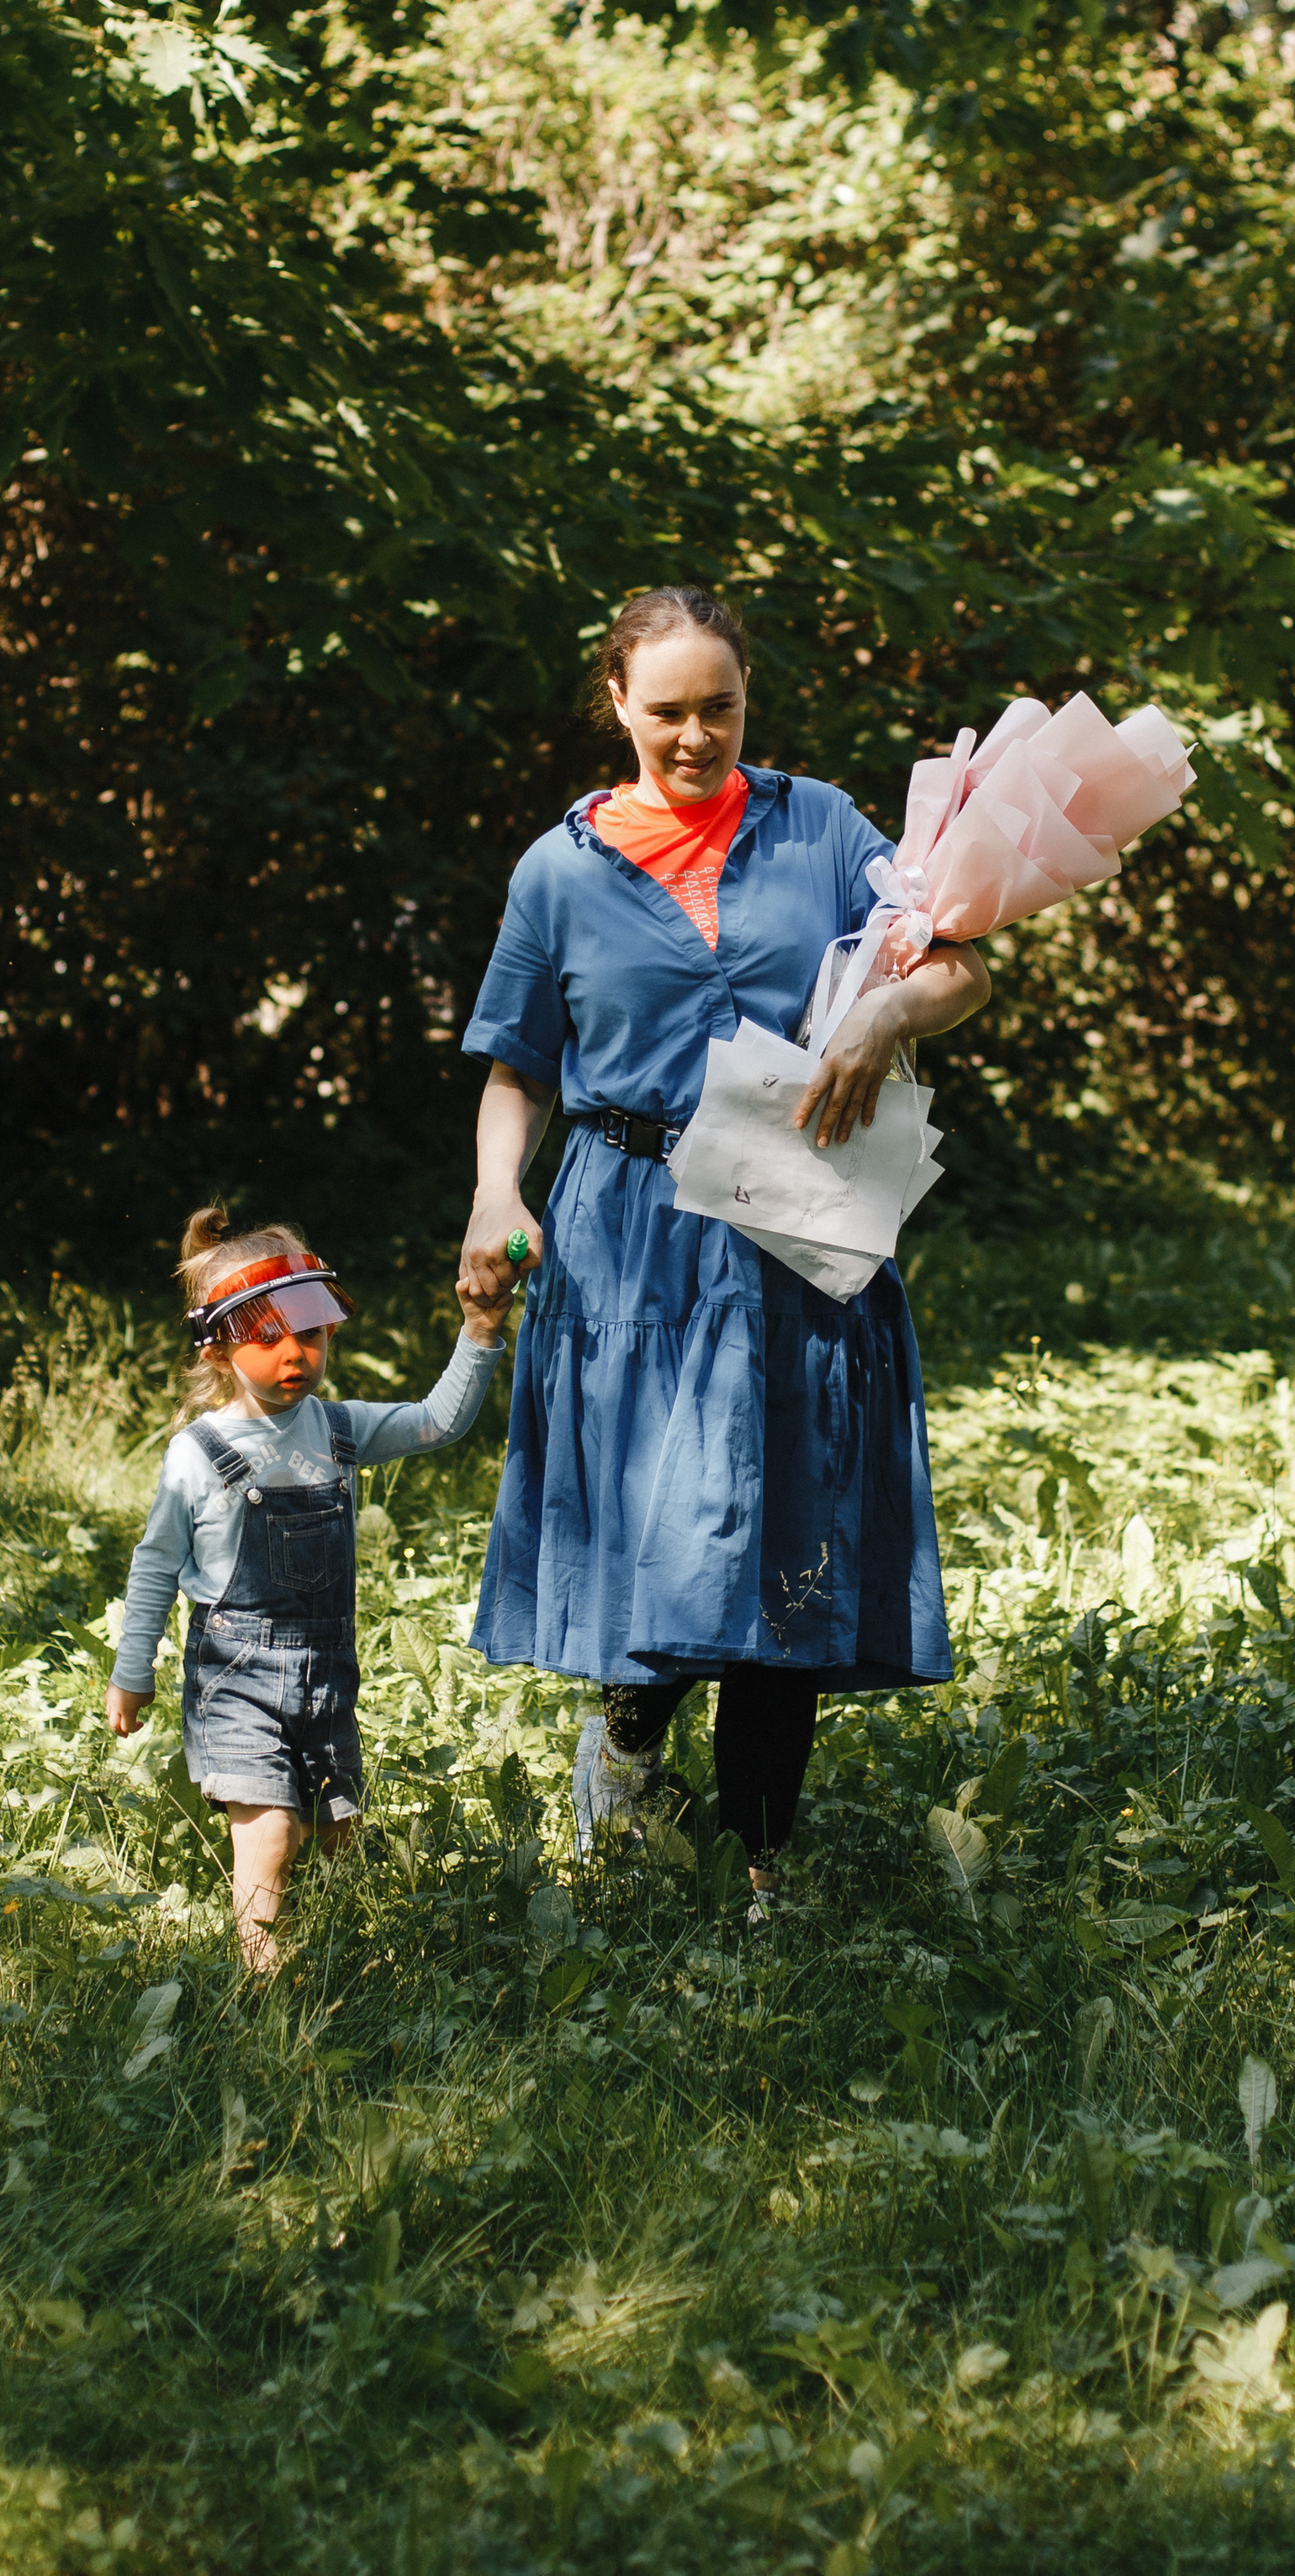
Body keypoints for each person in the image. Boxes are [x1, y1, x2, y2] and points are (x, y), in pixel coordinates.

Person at [457, 584, 990, 1920]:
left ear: (750, 698)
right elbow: (518, 1066)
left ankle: (763, 1866)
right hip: (629, 1233)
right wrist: (493, 1192)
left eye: (722, 708)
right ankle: (629, 1739)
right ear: (618, 705)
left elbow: (962, 962)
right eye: (670, 711)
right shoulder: (559, 872)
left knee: (786, 1530)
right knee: (660, 1518)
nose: (697, 735)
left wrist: (884, 1018)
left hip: (796, 1216)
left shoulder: (821, 827)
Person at [107, 1204, 504, 1966]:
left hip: (327, 1678)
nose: (296, 1353)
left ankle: (341, 1964)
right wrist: (132, 1671)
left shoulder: (339, 1430)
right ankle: (263, 1981)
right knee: (272, 1834)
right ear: (220, 1348)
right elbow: (155, 1564)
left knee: (337, 1836)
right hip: (235, 1680)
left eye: (312, 1334)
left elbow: (438, 1422)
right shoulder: (198, 1454)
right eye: (268, 1337)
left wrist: (481, 1330)